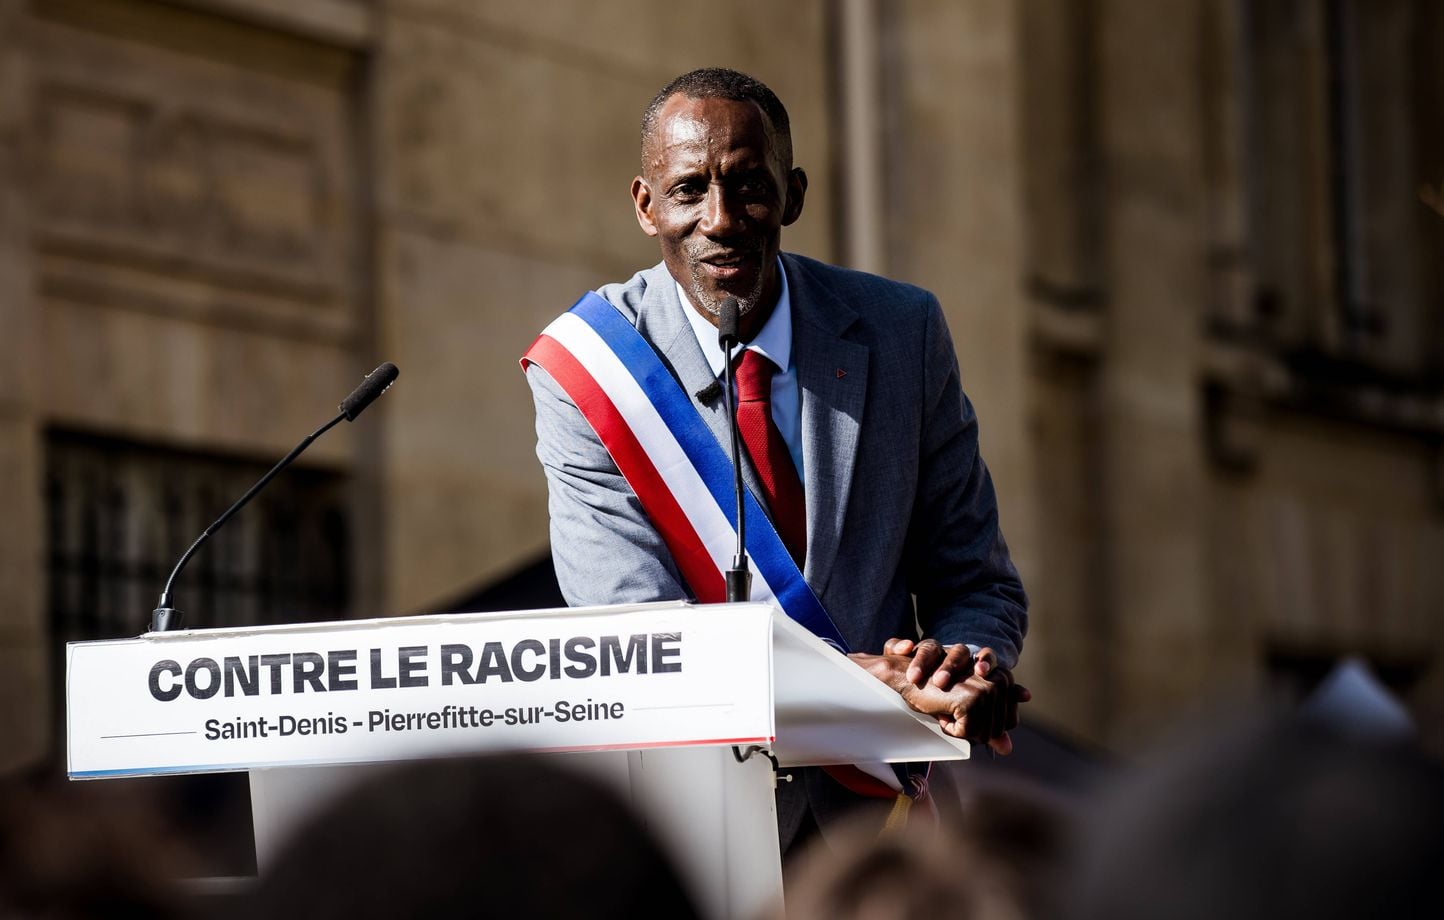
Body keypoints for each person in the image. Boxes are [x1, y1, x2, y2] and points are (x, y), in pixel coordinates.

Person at [523, 67, 1029, 850]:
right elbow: (640, 646)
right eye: (689, 189)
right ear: (646, 205)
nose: (720, 219)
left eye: (749, 187)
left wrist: (965, 667)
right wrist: (857, 684)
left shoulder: (904, 333)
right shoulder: (587, 373)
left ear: (792, 195)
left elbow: (976, 579)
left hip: (883, 835)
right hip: (699, 835)